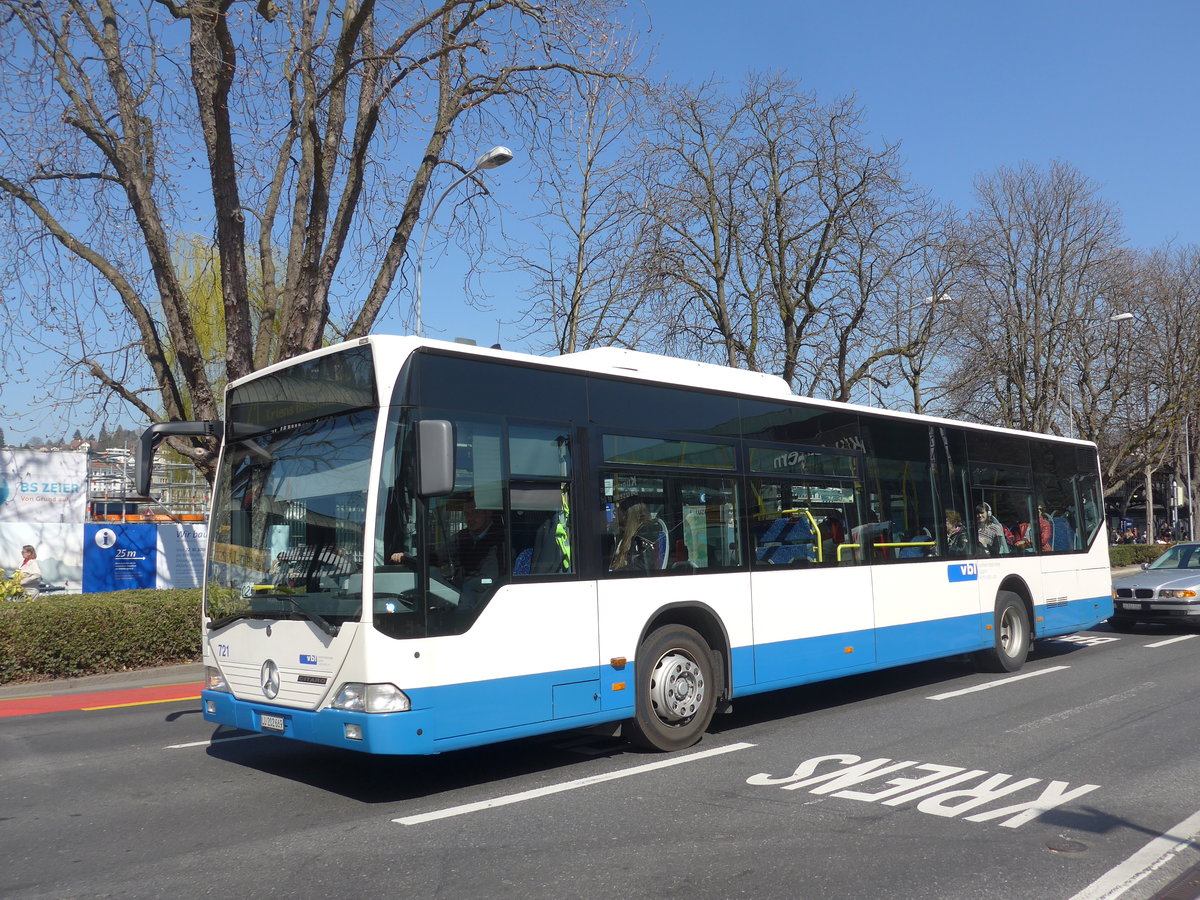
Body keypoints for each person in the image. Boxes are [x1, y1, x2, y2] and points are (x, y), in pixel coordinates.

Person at [609, 496, 659, 572]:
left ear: (626, 514)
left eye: (617, 510)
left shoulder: (645, 532)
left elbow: (645, 564)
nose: (614, 514)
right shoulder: (622, 532)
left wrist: (617, 573)